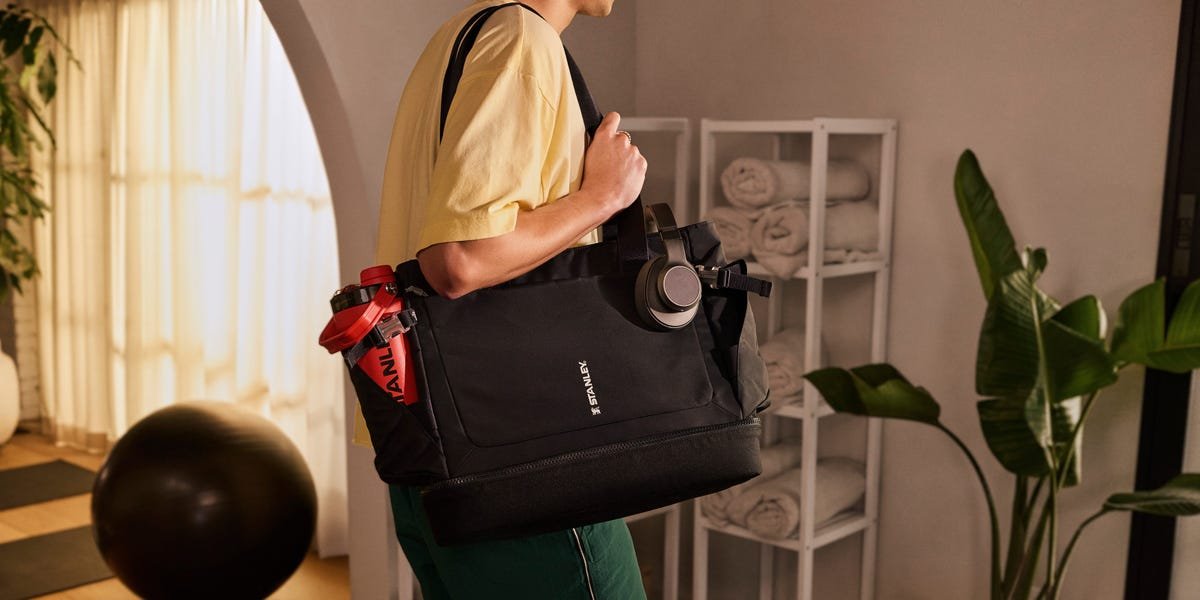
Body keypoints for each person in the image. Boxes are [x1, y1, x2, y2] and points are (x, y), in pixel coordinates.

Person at [373, 0, 649, 598]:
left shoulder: (460, 36)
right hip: (528, 451)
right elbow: (460, 259)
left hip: (441, 437)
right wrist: (604, 197)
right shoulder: (522, 40)